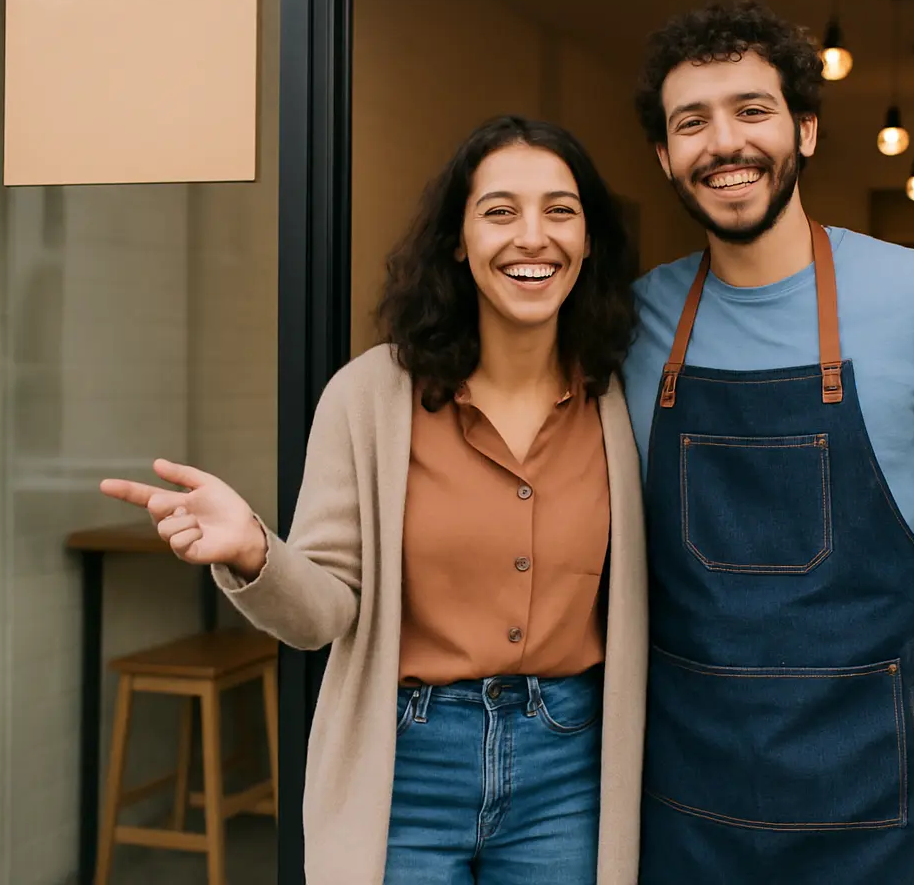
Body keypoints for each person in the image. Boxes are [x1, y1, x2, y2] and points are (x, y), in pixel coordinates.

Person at [100, 115, 647, 885]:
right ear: (458, 241)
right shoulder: (370, 397)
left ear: (589, 240)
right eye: (499, 211)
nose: (533, 236)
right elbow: (323, 612)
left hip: (572, 766)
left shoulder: (624, 402)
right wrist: (257, 552)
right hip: (406, 764)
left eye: (561, 210)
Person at [621, 0, 914, 882]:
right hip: (683, 803)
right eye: (691, 122)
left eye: (753, 110)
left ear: (805, 131)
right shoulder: (631, 323)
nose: (724, 144)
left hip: (878, 803)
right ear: (665, 156)